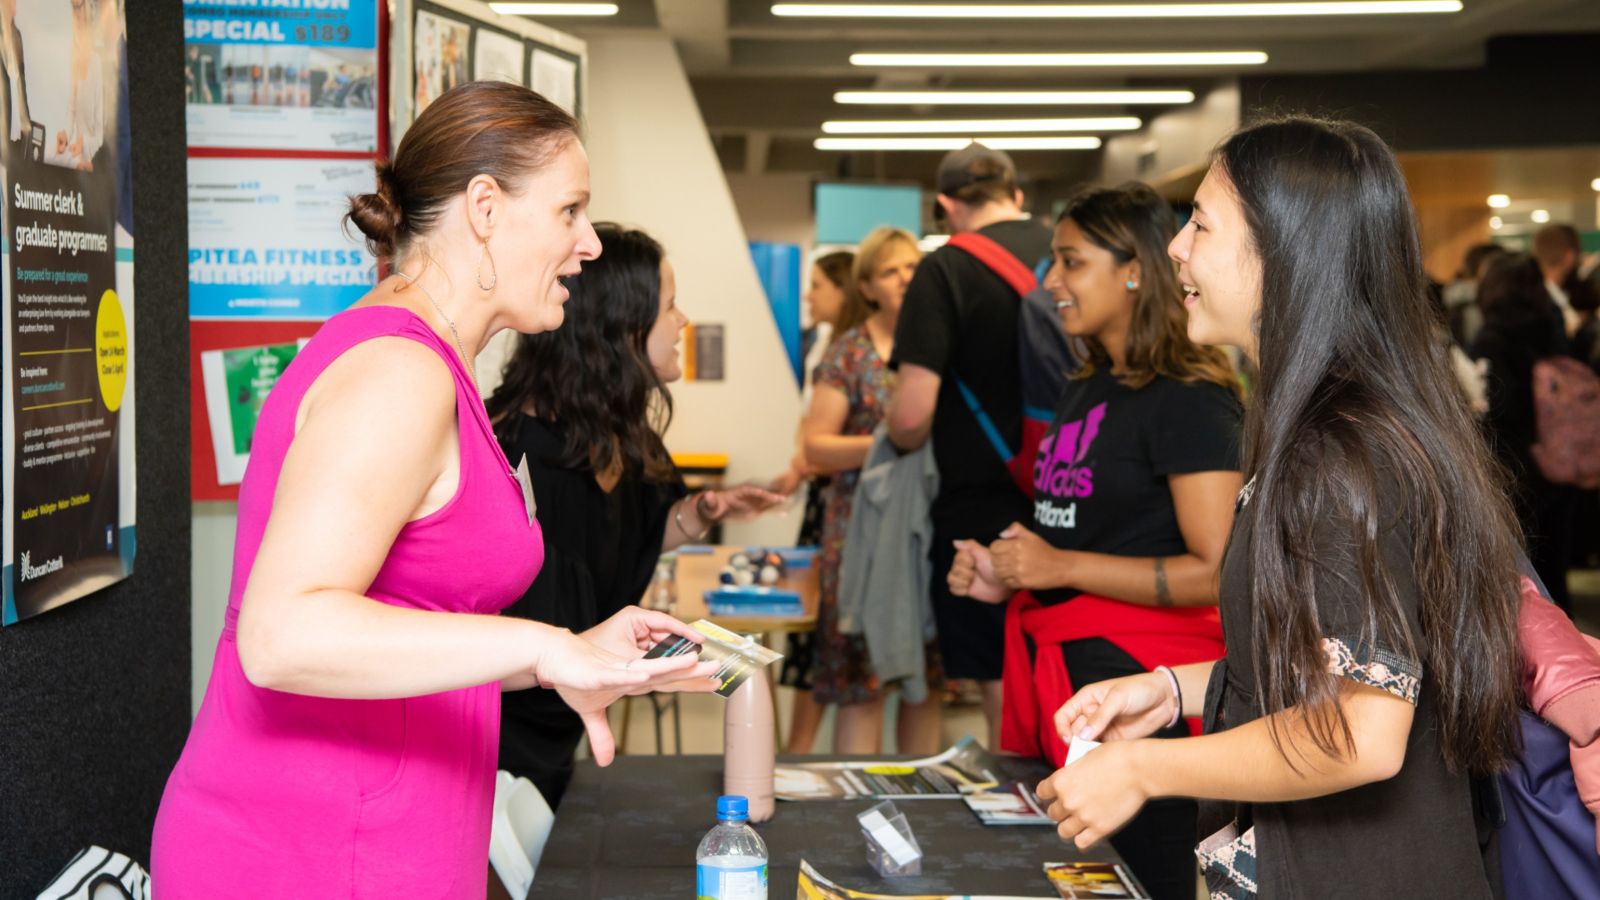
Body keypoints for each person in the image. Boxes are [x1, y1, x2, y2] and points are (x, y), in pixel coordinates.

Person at [151, 83, 718, 897]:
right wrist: (537, 643)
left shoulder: (435, 366)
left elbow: (419, 629)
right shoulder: (398, 374)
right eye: (569, 212)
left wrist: (573, 653)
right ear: (485, 208)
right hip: (312, 848)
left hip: (393, 833)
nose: (588, 244)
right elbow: (282, 634)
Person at [1038, 117, 1525, 899]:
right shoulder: (1321, 427)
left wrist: (1144, 769)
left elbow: (1360, 733)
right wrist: (1171, 688)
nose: (1176, 249)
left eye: (1200, 223)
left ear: (1284, 251)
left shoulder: (1340, 452)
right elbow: (1331, 663)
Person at [947, 183, 1241, 900]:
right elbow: (1088, 526)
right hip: (1078, 677)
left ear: (1134, 268)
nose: (1052, 284)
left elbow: (1219, 572)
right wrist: (1013, 572)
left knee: (1144, 880)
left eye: (1071, 262)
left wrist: (1059, 564)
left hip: (1152, 690)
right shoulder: (1090, 382)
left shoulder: (1190, 395)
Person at [485, 223, 784, 806]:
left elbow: (633, 534)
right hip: (500, 742)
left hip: (568, 726)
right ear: (618, 326)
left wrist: (699, 513)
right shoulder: (512, 450)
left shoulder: (619, 437)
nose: (683, 322)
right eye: (669, 306)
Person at [886, 142, 1051, 745]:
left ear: (945, 205)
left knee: (1000, 674)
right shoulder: (1069, 253)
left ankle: (1027, 808)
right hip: (1078, 492)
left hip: (984, 503)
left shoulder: (944, 269)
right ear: (1016, 197)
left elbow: (910, 418)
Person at [805, 226, 944, 754]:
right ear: (867, 287)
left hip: (922, 529)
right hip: (859, 533)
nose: (906, 278)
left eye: (913, 267)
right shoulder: (849, 352)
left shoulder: (935, 345)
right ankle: (849, 812)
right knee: (861, 685)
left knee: (924, 681)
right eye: (891, 270)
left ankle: (924, 805)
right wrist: (891, 447)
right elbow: (816, 446)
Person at [777, 249, 855, 754]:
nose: (809, 296)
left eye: (820, 285)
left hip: (842, 511)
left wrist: (808, 460)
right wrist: (797, 467)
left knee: (830, 633)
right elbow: (811, 441)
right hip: (821, 503)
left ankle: (796, 751)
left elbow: (822, 447)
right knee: (813, 631)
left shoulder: (850, 355)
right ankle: (794, 749)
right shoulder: (824, 349)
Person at [1471, 253, 1577, 613]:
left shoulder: (1493, 335)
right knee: (1555, 563)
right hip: (1558, 455)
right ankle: (1569, 649)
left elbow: (1498, 405)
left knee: (1521, 573)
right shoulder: (1553, 325)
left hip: (1513, 462)